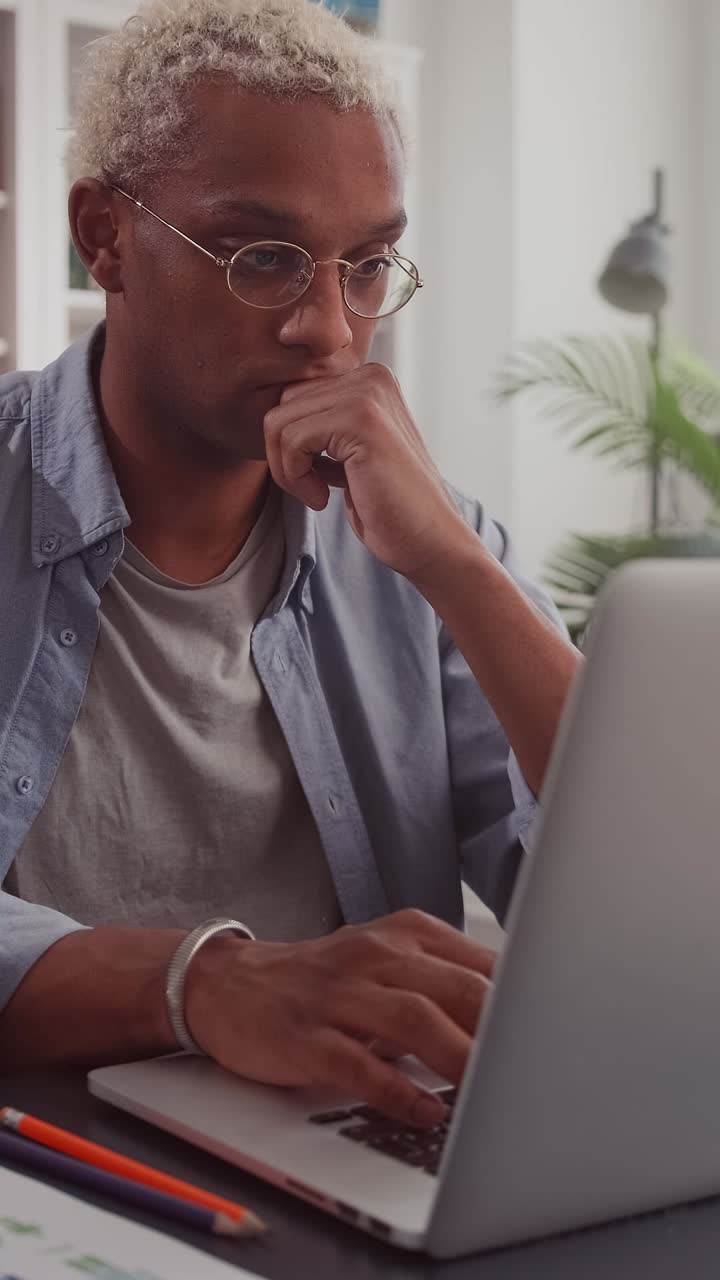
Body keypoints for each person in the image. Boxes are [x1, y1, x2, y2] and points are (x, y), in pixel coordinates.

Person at [0, 0, 580, 1127]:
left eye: (367, 265)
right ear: (104, 236)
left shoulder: (429, 543)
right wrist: (202, 983)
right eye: (263, 257)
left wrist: (462, 573)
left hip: (351, 1141)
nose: (328, 327)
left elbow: (649, 905)